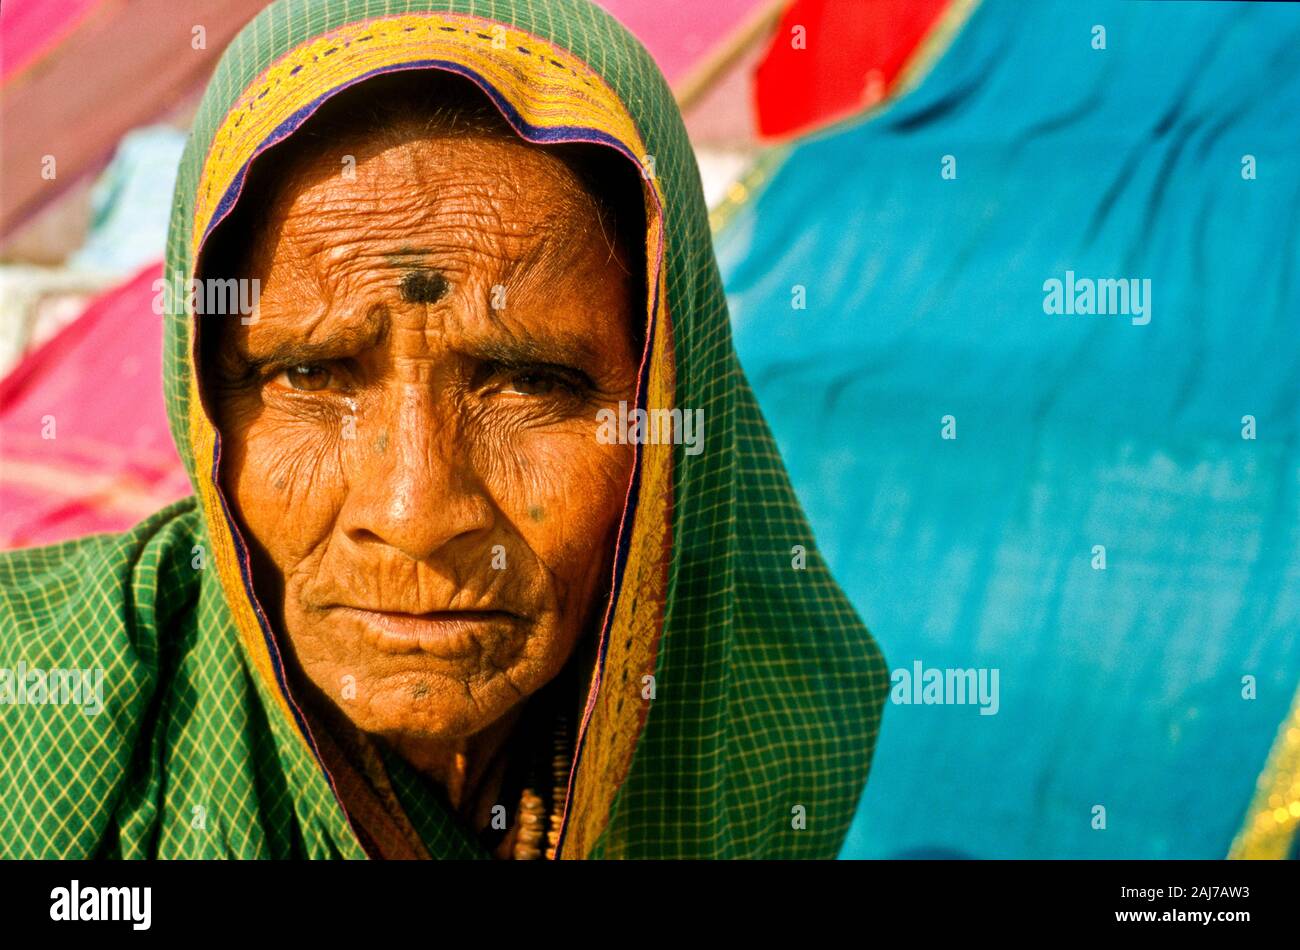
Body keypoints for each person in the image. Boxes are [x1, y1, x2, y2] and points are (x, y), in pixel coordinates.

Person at [0, 0, 886, 859]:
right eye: (308, 374)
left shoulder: (758, 742)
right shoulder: (35, 722)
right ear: (201, 403)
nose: (413, 511)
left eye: (529, 383)